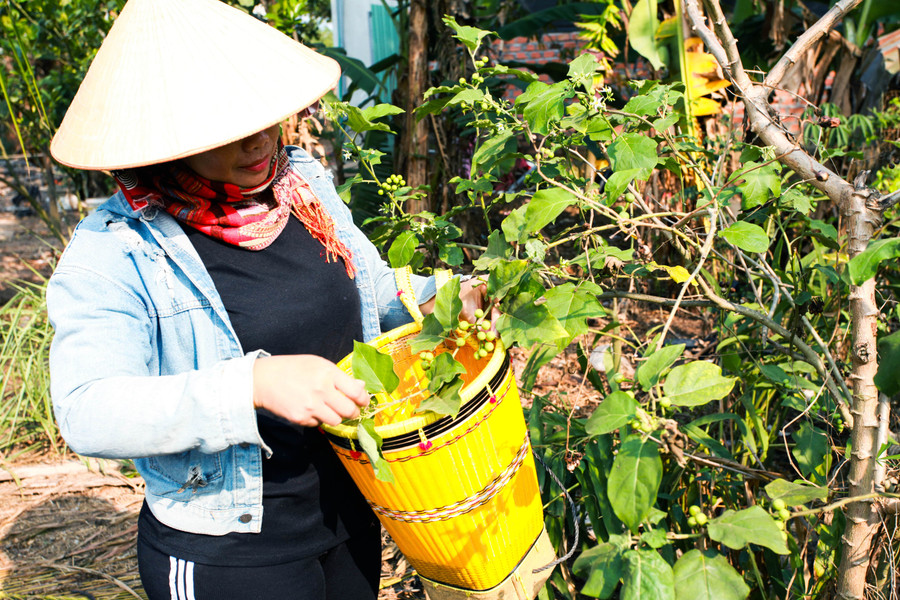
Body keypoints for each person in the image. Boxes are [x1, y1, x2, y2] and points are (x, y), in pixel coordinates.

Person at [45, 0, 490, 598]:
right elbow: (86, 408)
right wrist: (251, 385)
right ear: (170, 141)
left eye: (265, 118)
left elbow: (375, 290)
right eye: (229, 130)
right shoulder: (116, 248)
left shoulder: (300, 182)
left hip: (352, 508)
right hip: (231, 549)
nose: (259, 142)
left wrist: (448, 300)